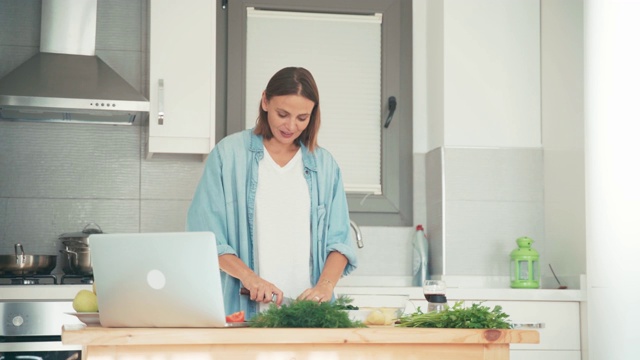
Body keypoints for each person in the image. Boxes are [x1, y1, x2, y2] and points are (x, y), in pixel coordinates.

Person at [186, 67, 358, 319]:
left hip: (310, 315)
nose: (291, 126)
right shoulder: (228, 155)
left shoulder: (324, 165)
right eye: (282, 114)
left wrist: (324, 286)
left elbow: (339, 242)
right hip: (245, 311)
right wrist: (249, 278)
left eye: (302, 117)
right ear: (265, 101)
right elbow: (206, 236)